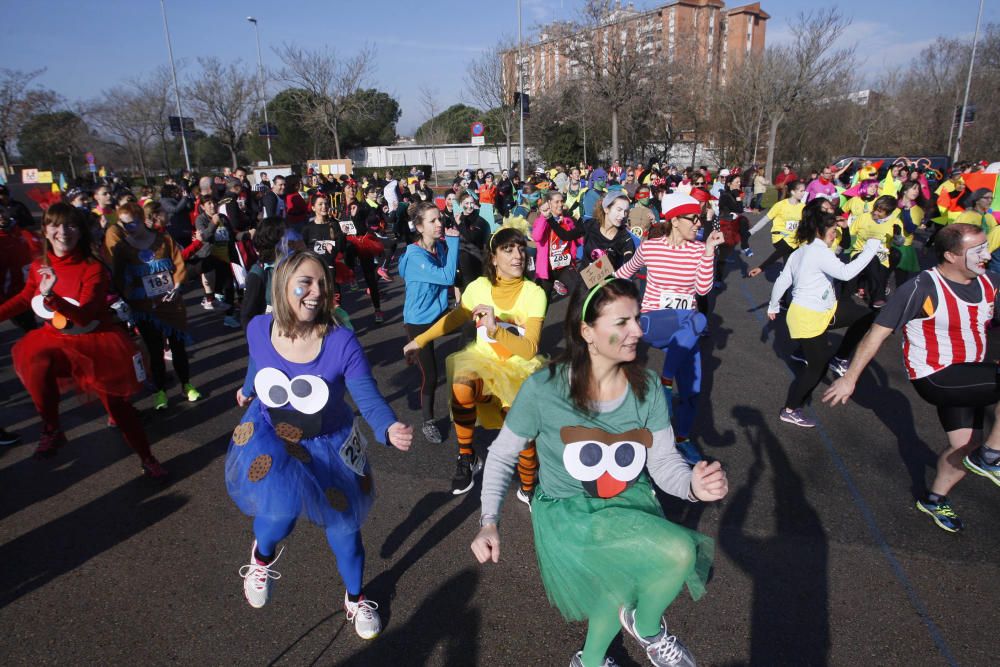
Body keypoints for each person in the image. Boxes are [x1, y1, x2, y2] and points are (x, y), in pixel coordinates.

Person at [471, 277, 727, 667]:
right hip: (569, 512)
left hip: (628, 499)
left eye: (637, 319)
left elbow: (662, 462)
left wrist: (693, 485)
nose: (638, 331)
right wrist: (489, 520)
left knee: (617, 585)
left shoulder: (649, 388)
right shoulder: (545, 389)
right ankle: (649, 629)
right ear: (587, 331)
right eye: (622, 322)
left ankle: (591, 660)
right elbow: (503, 454)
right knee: (680, 553)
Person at [228, 250, 413, 637]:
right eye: (305, 283)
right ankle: (261, 562)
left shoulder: (341, 342)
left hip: (329, 444)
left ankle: (356, 599)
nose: (315, 292)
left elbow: (367, 395)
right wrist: (247, 390)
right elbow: (257, 363)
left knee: (345, 531)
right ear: (282, 286)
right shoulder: (259, 328)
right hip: (272, 435)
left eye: (321, 284)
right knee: (277, 516)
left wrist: (387, 426)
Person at [824, 224, 1000, 533]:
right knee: (980, 450)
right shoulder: (922, 287)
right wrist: (850, 377)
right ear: (951, 255)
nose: (987, 255)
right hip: (936, 376)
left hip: (969, 375)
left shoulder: (989, 283)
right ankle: (992, 455)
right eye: (978, 251)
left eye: (986, 248)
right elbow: (876, 334)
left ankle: (935, 498)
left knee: (964, 447)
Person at [0, 203, 166, 476]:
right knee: (34, 358)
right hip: (56, 340)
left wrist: (51, 296)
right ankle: (51, 428)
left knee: (119, 408)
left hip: (96, 341)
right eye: (55, 225)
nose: (62, 232)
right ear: (45, 230)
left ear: (80, 232)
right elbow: (24, 299)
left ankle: (147, 458)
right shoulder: (40, 265)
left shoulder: (94, 269)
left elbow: (85, 315)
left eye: (70, 225)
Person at [403, 229, 546, 501]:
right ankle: (467, 457)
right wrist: (419, 341)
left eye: (520, 248)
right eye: (508, 249)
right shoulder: (479, 287)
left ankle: (528, 485)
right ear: (493, 258)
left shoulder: (534, 293)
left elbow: (529, 350)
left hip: (517, 370)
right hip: (482, 364)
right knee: (461, 384)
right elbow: (455, 318)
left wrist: (496, 330)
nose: (517, 255)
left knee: (522, 435)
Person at [616, 193, 724, 464]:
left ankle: (682, 439)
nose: (699, 224)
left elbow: (702, 290)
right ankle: (665, 380)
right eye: (694, 219)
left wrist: (709, 251)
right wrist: (593, 278)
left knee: (693, 389)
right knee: (697, 321)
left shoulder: (699, 250)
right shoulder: (651, 247)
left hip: (685, 329)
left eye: (700, 218)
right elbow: (625, 272)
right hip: (655, 321)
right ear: (675, 220)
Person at [767, 209, 881, 427]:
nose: (834, 235)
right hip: (808, 316)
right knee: (816, 367)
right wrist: (871, 248)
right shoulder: (818, 252)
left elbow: (783, 281)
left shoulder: (801, 251)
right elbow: (846, 273)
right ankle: (790, 409)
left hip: (822, 310)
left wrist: (773, 305)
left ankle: (840, 358)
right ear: (820, 231)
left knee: (865, 315)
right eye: (832, 231)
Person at [110, 203, 200, 410]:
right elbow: (118, 276)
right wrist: (128, 295)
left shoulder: (163, 239)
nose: (129, 228)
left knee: (178, 347)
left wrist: (177, 284)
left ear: (142, 219)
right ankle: (160, 391)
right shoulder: (122, 248)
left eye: (132, 223)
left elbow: (178, 263)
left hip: (171, 303)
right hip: (145, 307)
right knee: (155, 350)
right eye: (124, 225)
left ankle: (187, 384)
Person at [400, 201, 461, 444]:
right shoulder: (415, 256)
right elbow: (446, 276)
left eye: (440, 219)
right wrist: (455, 242)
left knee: (471, 330)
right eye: (433, 221)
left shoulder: (440, 247)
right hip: (417, 322)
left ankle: (468, 402)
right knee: (431, 374)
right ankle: (428, 421)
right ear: (419, 226)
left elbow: (454, 274)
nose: (439, 224)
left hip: (439, 314)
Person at [747, 181, 807, 278]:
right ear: (792, 192)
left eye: (804, 191)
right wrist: (750, 232)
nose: (803, 193)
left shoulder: (803, 207)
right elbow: (765, 220)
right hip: (780, 237)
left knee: (791, 268)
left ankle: (784, 286)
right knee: (786, 249)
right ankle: (761, 268)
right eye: (801, 191)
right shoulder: (780, 205)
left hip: (795, 240)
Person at [533, 190, 583, 303]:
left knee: (578, 293)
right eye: (557, 202)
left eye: (562, 201)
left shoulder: (568, 220)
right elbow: (537, 237)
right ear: (549, 203)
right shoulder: (541, 221)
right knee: (543, 302)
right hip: (548, 268)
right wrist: (544, 217)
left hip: (565, 266)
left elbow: (579, 241)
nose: (560, 204)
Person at [582, 191, 636, 271]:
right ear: (606, 209)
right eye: (619, 210)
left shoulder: (624, 238)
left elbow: (630, 262)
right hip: (581, 277)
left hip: (607, 281)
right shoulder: (590, 225)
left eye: (625, 211)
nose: (622, 215)